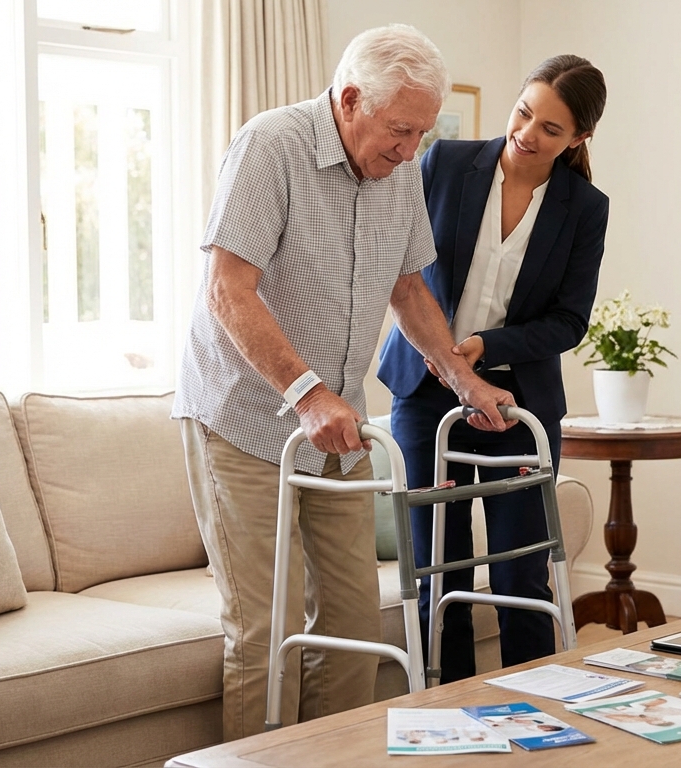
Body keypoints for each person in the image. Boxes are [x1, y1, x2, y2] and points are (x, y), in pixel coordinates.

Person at [172, 24, 516, 741]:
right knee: (264, 628)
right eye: (399, 130)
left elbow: (410, 291)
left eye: (421, 133)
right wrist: (305, 393)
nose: (409, 149)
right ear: (351, 99)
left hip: (338, 429)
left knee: (358, 622)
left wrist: (463, 380)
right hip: (242, 420)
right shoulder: (271, 146)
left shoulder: (397, 172)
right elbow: (228, 290)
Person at [377, 54, 609, 682]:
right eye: (524, 112)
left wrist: (487, 345)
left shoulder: (584, 207)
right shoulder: (446, 163)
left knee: (520, 574)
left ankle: (535, 717)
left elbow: (569, 321)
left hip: (520, 405)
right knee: (437, 568)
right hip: (425, 393)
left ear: (579, 139)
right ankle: (444, 718)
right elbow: (400, 267)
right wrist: (448, 355)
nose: (527, 134)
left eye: (551, 130)